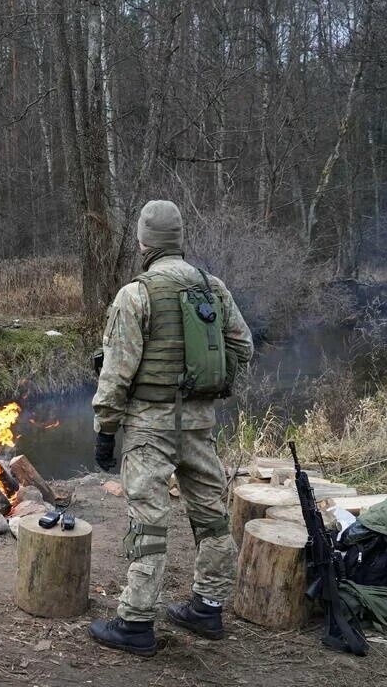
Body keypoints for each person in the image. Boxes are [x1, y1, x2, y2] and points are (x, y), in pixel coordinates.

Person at [87, 199, 254, 656]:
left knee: (149, 524)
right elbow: (244, 346)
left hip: (149, 428)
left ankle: (135, 623)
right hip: (199, 424)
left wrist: (105, 428)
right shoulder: (211, 287)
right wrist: (208, 382)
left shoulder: (136, 294)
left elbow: (117, 372)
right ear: (178, 238)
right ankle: (209, 606)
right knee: (212, 518)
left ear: (144, 241)